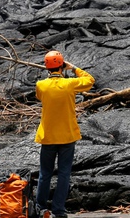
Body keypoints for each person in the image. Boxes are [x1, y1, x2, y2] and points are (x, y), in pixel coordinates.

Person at [34, 50, 95, 218]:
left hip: (48, 136)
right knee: (64, 173)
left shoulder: (41, 85)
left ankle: (40, 208)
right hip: (67, 135)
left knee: (45, 173)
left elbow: (40, 97)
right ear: (62, 65)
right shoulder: (70, 84)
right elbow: (90, 80)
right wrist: (74, 68)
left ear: (47, 67)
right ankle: (58, 210)